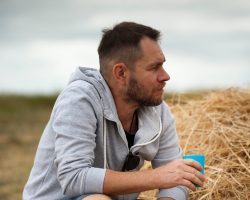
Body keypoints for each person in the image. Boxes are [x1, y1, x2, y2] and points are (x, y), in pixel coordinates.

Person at [23, 21, 206, 200]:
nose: (165, 76)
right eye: (154, 67)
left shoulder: (158, 110)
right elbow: (74, 177)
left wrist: (170, 192)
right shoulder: (79, 98)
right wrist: (157, 177)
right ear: (121, 73)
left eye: (163, 65)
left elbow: (175, 178)